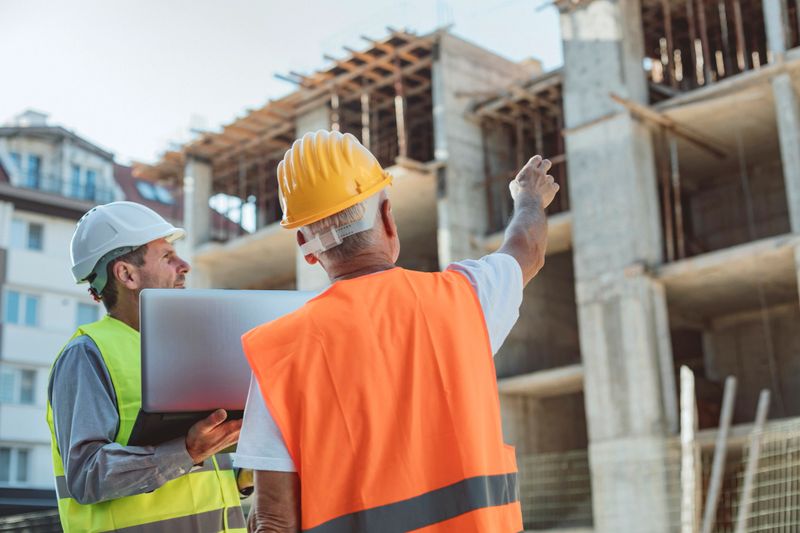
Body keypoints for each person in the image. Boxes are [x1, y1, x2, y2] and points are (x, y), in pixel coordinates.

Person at [234, 130, 559, 532]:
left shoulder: (278, 351)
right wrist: (528, 197)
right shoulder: (467, 299)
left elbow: (273, 521)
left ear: (305, 244)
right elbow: (526, 247)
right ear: (387, 215)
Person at [46, 201, 246, 532]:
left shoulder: (191, 350)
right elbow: (87, 475)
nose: (185, 266)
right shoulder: (86, 354)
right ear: (127, 274)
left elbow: (203, 470)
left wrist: (248, 466)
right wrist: (185, 451)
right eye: (168, 257)